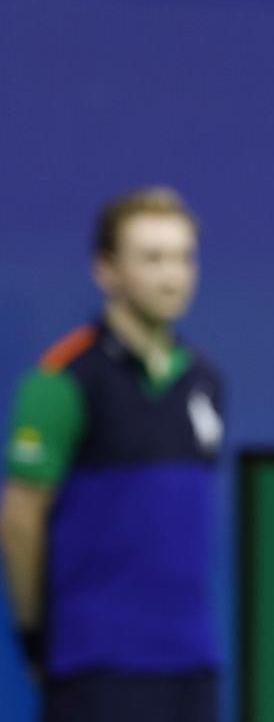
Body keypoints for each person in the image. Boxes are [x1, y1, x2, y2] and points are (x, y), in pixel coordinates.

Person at [0, 188, 225, 722]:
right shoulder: (60, 382)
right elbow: (21, 520)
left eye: (183, 257)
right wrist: (36, 636)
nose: (173, 275)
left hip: (191, 667)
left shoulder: (205, 381)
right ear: (107, 270)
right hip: (95, 668)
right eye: (152, 258)